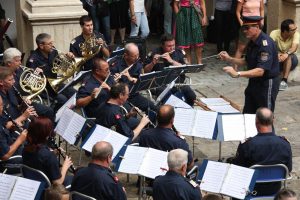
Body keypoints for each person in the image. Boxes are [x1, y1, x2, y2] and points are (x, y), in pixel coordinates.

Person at [219, 16, 280, 114]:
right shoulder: (252, 41)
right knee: (248, 113)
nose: (244, 31)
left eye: (247, 28)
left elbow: (260, 71)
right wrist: (229, 59)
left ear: (257, 27)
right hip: (254, 82)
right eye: (243, 28)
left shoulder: (265, 44)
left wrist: (238, 73)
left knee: (264, 116)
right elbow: (247, 61)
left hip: (266, 83)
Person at [231, 107, 292, 196]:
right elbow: (288, 169)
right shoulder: (285, 144)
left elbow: (239, 171)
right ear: (273, 120)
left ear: (256, 121)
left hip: (251, 191)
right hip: (274, 191)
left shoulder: (247, 145)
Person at [25, 34, 76, 109]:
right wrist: (37, 74)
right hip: (44, 89)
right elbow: (31, 83)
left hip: (56, 84)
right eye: (49, 44)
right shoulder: (33, 60)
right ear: (41, 46)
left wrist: (68, 58)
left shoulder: (53, 51)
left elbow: (60, 66)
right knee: (63, 100)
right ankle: (56, 117)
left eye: (52, 43)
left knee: (74, 93)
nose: (52, 45)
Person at [3, 48, 55, 121]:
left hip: (28, 99)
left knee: (49, 111)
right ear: (9, 63)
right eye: (17, 61)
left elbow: (28, 82)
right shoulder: (5, 76)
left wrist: (36, 74)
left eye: (20, 60)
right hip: (18, 106)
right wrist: (24, 100)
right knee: (38, 118)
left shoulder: (19, 70)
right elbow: (13, 100)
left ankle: (49, 130)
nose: (20, 63)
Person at [144, 33, 196, 106]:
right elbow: (145, 71)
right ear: (162, 45)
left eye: (173, 45)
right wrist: (152, 63)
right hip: (160, 85)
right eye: (169, 46)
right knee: (167, 98)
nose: (172, 48)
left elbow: (184, 68)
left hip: (178, 83)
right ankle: (168, 113)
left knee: (192, 96)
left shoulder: (179, 51)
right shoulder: (154, 52)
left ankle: (188, 111)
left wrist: (171, 61)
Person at [22, 117, 73, 186]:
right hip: (49, 188)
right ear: (45, 134)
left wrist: (53, 153)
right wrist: (65, 166)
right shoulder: (49, 156)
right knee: (75, 178)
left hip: (33, 182)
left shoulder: (25, 148)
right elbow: (57, 182)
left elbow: (40, 159)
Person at [110, 43, 157, 113]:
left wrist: (131, 78)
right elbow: (112, 88)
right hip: (122, 97)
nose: (137, 57)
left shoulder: (138, 63)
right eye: (134, 56)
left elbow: (142, 81)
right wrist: (116, 81)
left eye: (138, 55)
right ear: (126, 55)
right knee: (132, 114)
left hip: (134, 95)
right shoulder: (115, 65)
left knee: (152, 107)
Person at [0, 95, 27, 173]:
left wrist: (13, 127)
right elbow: (5, 156)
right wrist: (20, 140)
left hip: (9, 144)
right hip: (5, 163)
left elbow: (5, 127)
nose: (3, 107)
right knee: (33, 160)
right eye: (1, 105)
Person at [270, 19, 299, 91]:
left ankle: (284, 81)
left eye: (295, 28)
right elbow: (270, 47)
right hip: (278, 57)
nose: (295, 30)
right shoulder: (274, 33)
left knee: (288, 56)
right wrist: (277, 54)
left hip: (292, 59)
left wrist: (286, 54)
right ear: (285, 31)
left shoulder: (296, 34)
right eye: (293, 29)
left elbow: (294, 48)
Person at [234, 0, 264, 65]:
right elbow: (237, 11)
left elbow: (262, 9)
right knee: (241, 49)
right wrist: (241, 23)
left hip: (257, 25)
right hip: (246, 24)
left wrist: (262, 21)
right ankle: (234, 69)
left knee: (258, 46)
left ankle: (257, 66)